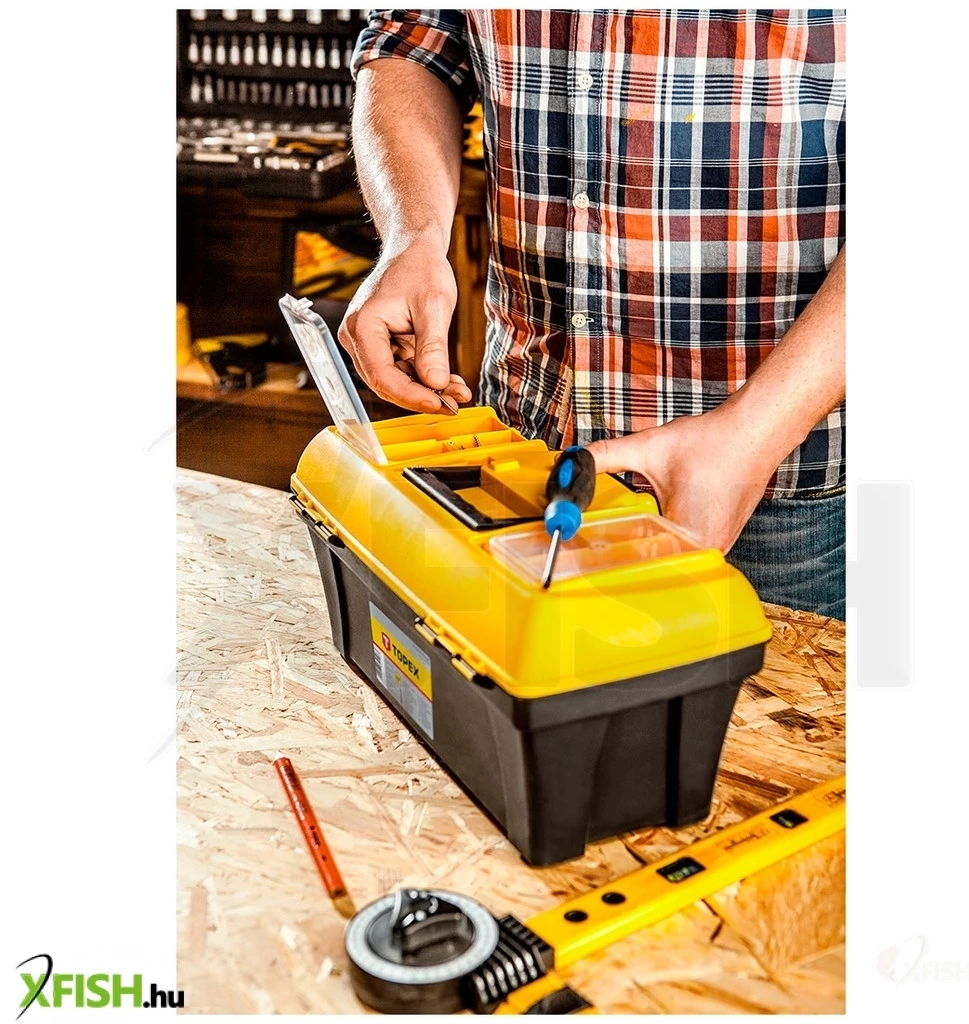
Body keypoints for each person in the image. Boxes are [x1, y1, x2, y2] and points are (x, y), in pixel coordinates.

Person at [341, 10, 846, 618]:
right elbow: (413, 43)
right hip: (527, 444)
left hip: (775, 487)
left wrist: (754, 434)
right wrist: (413, 235)